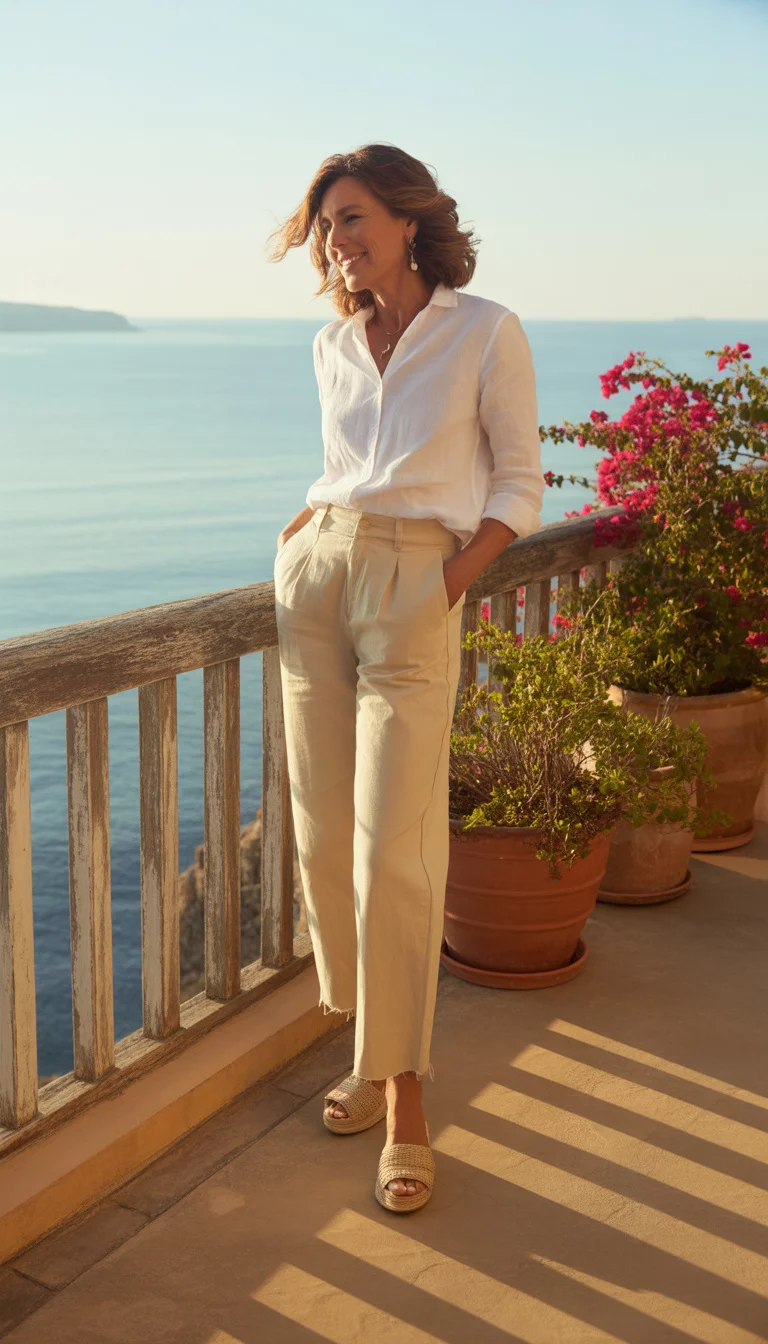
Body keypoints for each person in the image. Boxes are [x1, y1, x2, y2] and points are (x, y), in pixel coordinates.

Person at [267, 144, 543, 1212]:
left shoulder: (485, 330)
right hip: (321, 573)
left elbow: (517, 481)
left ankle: (408, 1099)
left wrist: (451, 578)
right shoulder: (335, 341)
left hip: (414, 585)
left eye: (353, 217)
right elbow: (348, 460)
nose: (340, 238)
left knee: (399, 851)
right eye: (329, 222)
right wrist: (305, 527)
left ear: (409, 218)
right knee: (327, 835)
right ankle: (369, 1053)